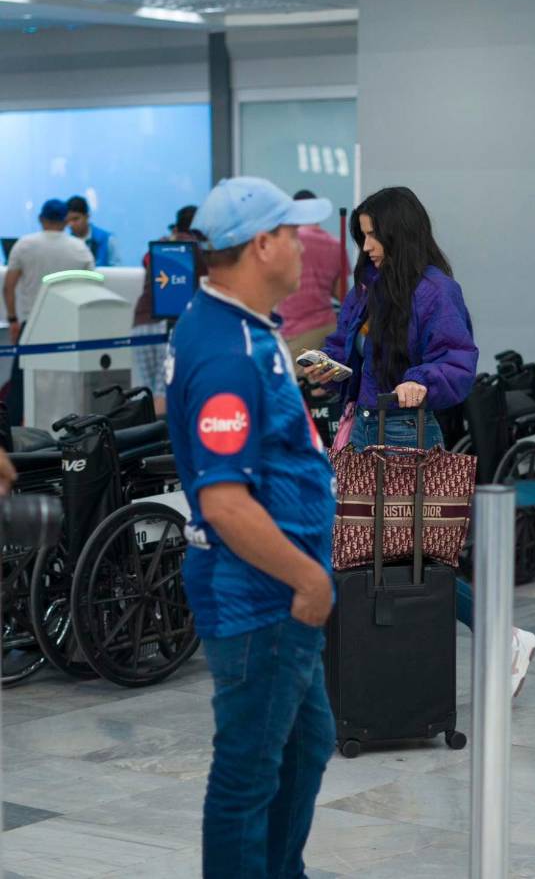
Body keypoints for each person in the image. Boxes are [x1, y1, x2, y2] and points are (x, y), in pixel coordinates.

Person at [165, 176, 336, 877]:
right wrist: (308, 579)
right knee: (248, 771)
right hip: (261, 594)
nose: (304, 248)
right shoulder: (227, 353)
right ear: (262, 245)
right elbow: (226, 503)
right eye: (293, 235)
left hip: (276, 590)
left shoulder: (240, 327)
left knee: (306, 743)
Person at [309, 185, 535, 697]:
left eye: (373, 236)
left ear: (401, 232)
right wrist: (328, 368)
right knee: (361, 552)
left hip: (405, 432)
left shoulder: (436, 291)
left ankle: (502, 637)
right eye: (362, 237)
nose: (367, 247)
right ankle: (355, 673)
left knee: (405, 556)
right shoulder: (366, 287)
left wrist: (422, 382)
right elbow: (347, 350)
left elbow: (457, 362)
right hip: (361, 428)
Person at [3, 199, 95, 425]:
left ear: (41, 218)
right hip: (68, 327)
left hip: (33, 325)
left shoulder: (25, 245)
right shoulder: (79, 247)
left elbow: (9, 286)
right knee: (66, 386)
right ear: (65, 220)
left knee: (20, 385)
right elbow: (91, 287)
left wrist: (13, 319)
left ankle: (10, 437)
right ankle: (69, 433)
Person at [135, 205, 206, 416]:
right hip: (170, 326)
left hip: (140, 324)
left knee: (148, 392)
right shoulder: (197, 250)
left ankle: (146, 433)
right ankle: (160, 435)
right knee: (164, 391)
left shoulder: (160, 246)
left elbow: (145, 262)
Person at [278, 190, 346, 362]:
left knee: (298, 379)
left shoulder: (290, 242)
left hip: (295, 332)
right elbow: (342, 294)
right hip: (328, 330)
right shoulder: (336, 245)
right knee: (324, 377)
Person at [65, 195, 120, 266]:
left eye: (75, 219)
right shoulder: (66, 244)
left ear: (87, 216)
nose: (71, 224)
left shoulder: (108, 240)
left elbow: (117, 269)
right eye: (68, 220)